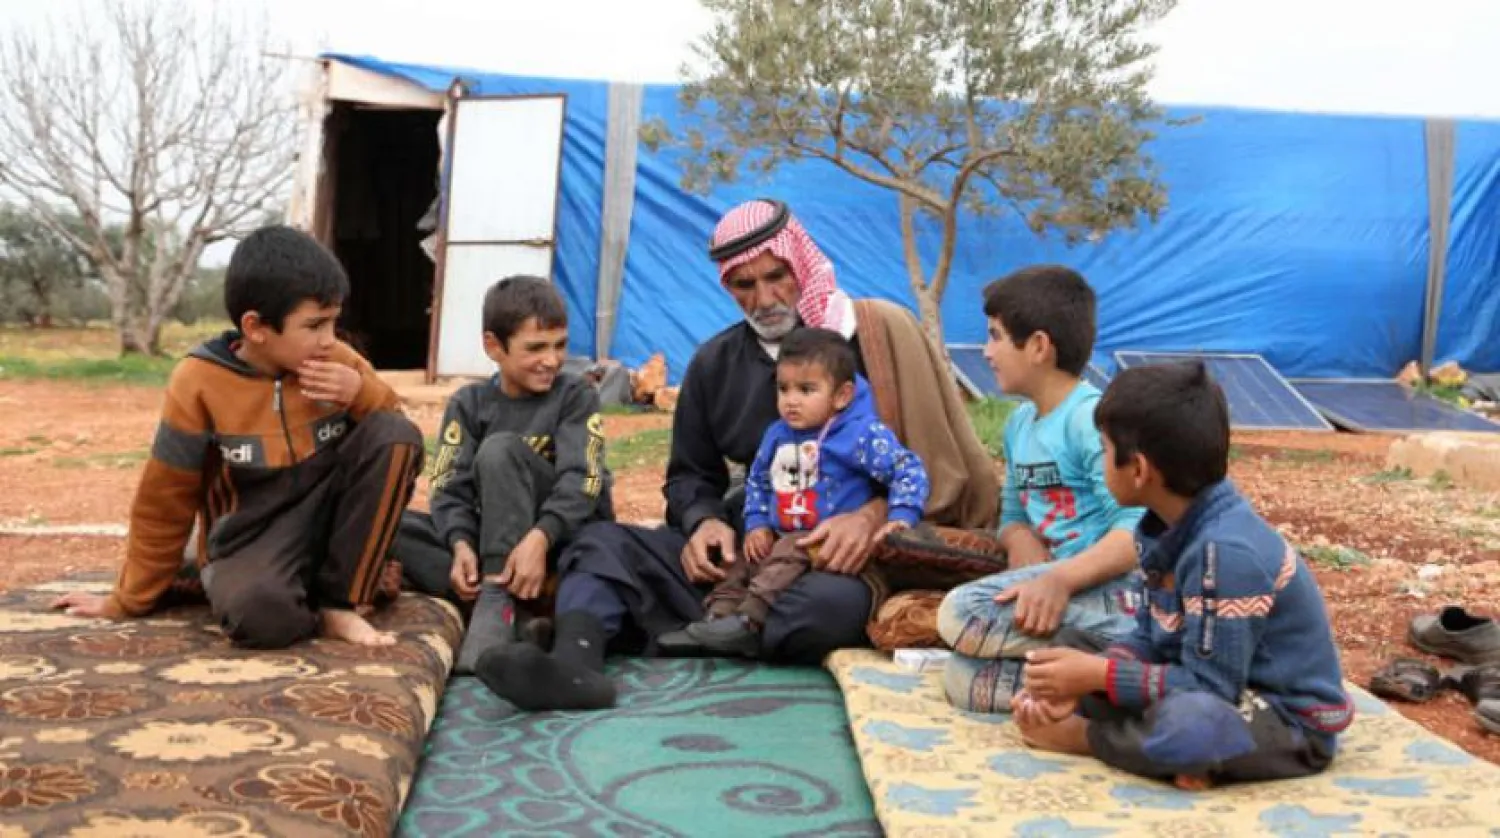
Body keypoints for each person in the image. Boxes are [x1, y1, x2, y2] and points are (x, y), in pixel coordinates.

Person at [459, 198, 998, 712]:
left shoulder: (874, 339)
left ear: (801, 265)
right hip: (747, 549)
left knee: (829, 607)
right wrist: (703, 521)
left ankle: (666, 627)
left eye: (775, 277)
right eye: (745, 284)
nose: (764, 299)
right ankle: (575, 663)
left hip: (841, 558)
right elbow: (689, 475)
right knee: (601, 543)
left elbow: (932, 464)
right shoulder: (715, 363)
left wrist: (870, 516)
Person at [51, 225, 423, 648]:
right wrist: (128, 601)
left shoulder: (337, 361)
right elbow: (165, 499)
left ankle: (341, 601)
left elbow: (401, 432)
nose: (329, 340)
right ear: (256, 327)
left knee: (395, 434)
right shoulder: (198, 382)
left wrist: (360, 395)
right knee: (264, 620)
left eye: (334, 323)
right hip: (252, 537)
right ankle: (229, 576)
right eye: (315, 325)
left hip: (331, 524)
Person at [1012, 362, 1354, 789]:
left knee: (1192, 725)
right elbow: (1149, 639)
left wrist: (1098, 681)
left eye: (1103, 450)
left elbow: (1212, 688)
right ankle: (1167, 753)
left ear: (1138, 470)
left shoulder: (1226, 554)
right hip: (1204, 679)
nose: (1100, 462)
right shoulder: (1160, 528)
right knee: (1073, 647)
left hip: (1281, 717)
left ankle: (1088, 738)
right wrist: (1087, 676)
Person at [937, 265, 1146, 713]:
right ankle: (1095, 689)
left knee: (960, 612)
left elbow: (1136, 533)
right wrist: (1021, 540)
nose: (986, 351)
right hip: (1053, 590)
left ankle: (1123, 657)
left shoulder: (1090, 419)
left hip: (1111, 591)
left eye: (994, 336)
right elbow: (1011, 513)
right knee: (962, 679)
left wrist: (1058, 579)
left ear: (1037, 346)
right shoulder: (1019, 425)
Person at [661, 327, 930, 656]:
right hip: (781, 530)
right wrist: (758, 523)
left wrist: (901, 515)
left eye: (806, 389)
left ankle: (749, 622)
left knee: (786, 556)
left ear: (842, 396)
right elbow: (758, 482)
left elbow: (907, 469)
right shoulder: (778, 435)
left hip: (822, 540)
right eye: (783, 389)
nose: (791, 401)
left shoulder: (860, 435)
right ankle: (716, 617)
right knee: (740, 561)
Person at [398, 276, 613, 682]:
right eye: (536, 348)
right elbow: (448, 486)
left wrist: (539, 539)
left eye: (560, 345)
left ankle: (498, 599)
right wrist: (460, 543)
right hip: (494, 539)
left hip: (560, 543)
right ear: (494, 347)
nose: (551, 360)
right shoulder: (469, 403)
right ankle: (517, 611)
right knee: (397, 527)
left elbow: (583, 479)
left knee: (499, 451)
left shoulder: (574, 395)